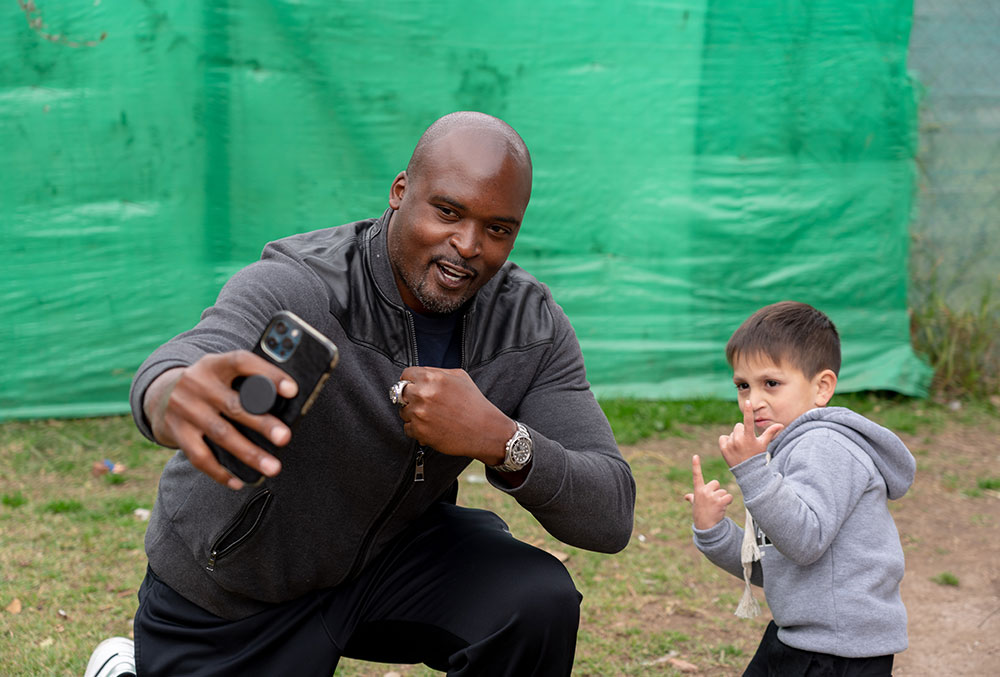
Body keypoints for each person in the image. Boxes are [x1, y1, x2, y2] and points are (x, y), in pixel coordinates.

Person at [86, 111, 636, 677]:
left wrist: (502, 441)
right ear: (400, 192)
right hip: (238, 586)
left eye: (498, 228)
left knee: (534, 601)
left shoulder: (529, 325)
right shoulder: (305, 285)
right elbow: (192, 355)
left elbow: (611, 513)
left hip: (391, 563)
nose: (468, 245)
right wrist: (170, 394)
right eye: (447, 211)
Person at [684, 301, 914, 676]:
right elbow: (777, 568)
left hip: (838, 652)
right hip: (799, 637)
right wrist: (713, 532)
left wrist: (752, 472)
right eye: (743, 385)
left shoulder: (825, 446)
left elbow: (804, 543)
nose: (752, 400)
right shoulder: (786, 450)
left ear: (822, 387)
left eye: (770, 383)